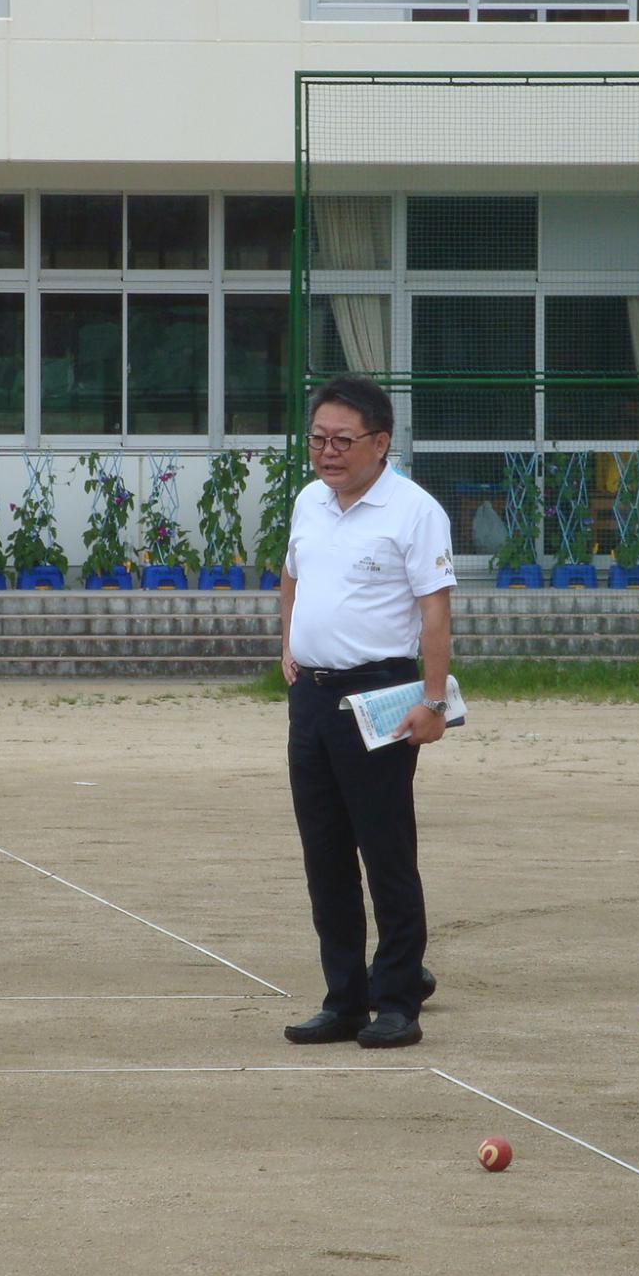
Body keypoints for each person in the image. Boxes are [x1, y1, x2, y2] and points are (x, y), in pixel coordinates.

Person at [279, 374, 454, 1050]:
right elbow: (292, 572)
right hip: (313, 698)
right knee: (324, 853)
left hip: (380, 692)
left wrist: (432, 702)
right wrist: (288, 641)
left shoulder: (413, 511)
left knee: (385, 850)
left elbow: (434, 610)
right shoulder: (309, 502)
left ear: (380, 443)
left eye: (343, 441)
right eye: (318, 439)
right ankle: (342, 997)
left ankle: (397, 999)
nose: (328, 452)